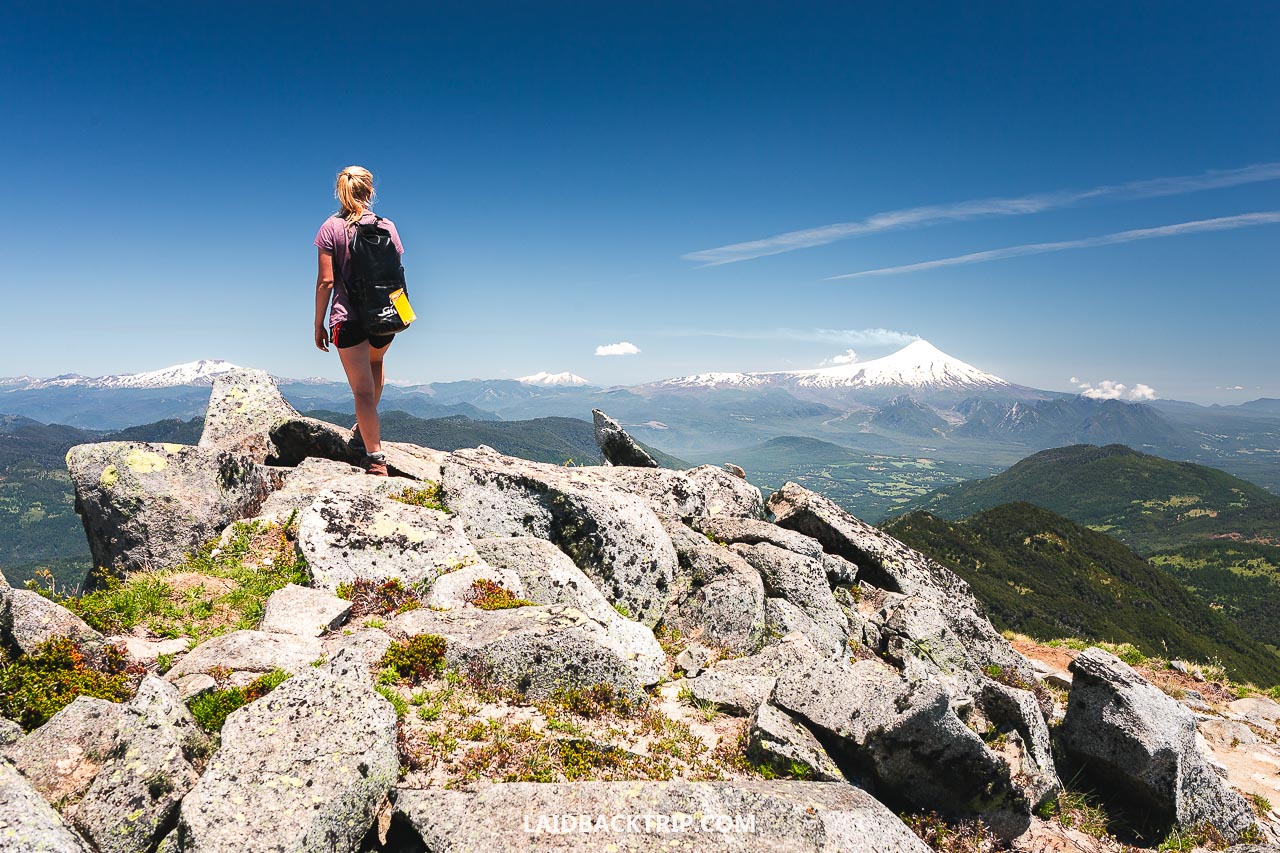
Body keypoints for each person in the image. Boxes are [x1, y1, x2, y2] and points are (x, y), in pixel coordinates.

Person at [313, 165, 405, 476]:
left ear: (340, 191)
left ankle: (375, 459)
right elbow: (396, 272)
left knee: (361, 392)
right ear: (369, 191)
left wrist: (318, 324)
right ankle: (363, 430)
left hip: (348, 318)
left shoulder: (331, 227)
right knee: (375, 365)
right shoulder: (387, 226)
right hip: (385, 314)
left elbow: (326, 281)